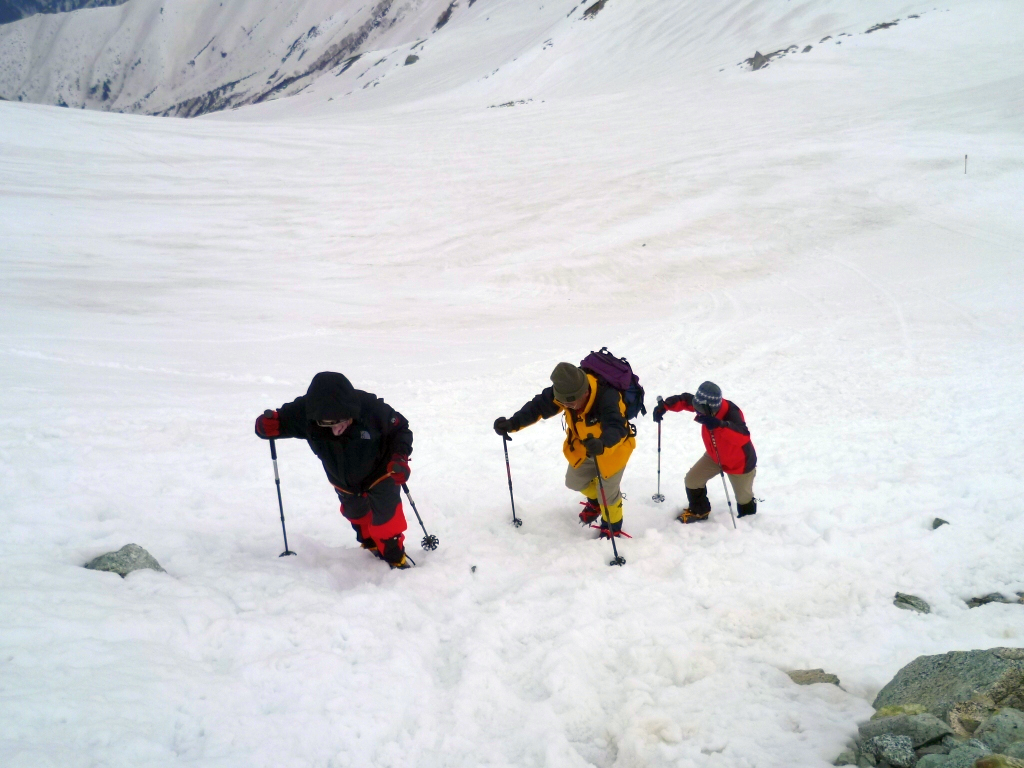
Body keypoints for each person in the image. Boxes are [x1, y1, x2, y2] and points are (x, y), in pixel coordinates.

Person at [254, 371, 414, 569]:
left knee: (388, 522)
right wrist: (264, 426)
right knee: (356, 514)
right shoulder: (305, 411)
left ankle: (394, 558)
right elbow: (277, 423)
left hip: (381, 472)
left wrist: (400, 458)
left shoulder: (371, 409)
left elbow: (401, 430)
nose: (336, 429)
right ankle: (371, 544)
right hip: (343, 479)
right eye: (327, 424)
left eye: (342, 422)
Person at [493, 362, 635, 538]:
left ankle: (612, 528)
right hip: (585, 448)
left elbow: (617, 427)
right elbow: (538, 406)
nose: (568, 407)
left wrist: (603, 443)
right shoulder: (565, 392)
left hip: (613, 448)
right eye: (563, 403)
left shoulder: (607, 396)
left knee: (607, 493)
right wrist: (513, 423)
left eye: (572, 403)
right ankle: (597, 503)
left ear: (585, 392)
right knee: (574, 482)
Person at [652, 381, 757, 523]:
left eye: (700, 411)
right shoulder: (703, 404)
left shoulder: (731, 412)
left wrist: (720, 425)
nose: (697, 412)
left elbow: (743, 436)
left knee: (744, 501)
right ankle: (699, 511)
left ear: (711, 409)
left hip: (739, 463)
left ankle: (750, 525)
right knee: (692, 480)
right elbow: (685, 400)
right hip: (714, 456)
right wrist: (665, 406)